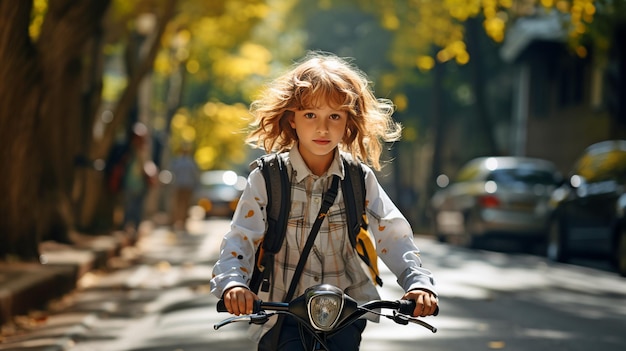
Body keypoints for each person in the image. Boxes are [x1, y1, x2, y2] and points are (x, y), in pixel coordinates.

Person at [210, 51, 438, 351]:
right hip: (283, 312)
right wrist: (234, 284)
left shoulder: (358, 178)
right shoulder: (268, 178)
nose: (322, 128)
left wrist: (417, 282)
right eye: (310, 115)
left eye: (334, 116)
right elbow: (241, 238)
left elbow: (393, 234)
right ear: (292, 119)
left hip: (344, 311)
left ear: (348, 121)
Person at [169, 146, 199, 230]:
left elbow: (173, 173)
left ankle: (176, 222)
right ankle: (182, 223)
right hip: (187, 186)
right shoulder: (191, 163)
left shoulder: (177, 162)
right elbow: (195, 175)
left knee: (177, 205)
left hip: (179, 186)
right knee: (185, 205)